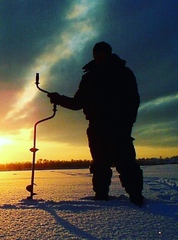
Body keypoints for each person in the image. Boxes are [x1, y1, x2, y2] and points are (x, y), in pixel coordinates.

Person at [47, 41, 144, 206]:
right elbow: (78, 103)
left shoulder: (123, 73)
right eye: (96, 53)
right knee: (100, 165)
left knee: (126, 163)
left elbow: (133, 101)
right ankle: (101, 199)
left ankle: (136, 197)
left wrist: (127, 123)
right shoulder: (89, 77)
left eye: (102, 52)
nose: (99, 56)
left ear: (109, 53)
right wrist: (59, 99)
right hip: (97, 128)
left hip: (119, 128)